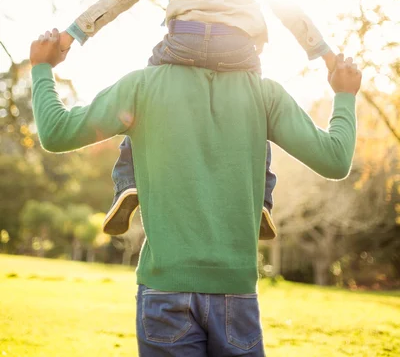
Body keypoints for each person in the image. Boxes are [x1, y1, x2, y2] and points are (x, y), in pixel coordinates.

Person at [30, 29, 361, 357]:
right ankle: (262, 202)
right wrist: (344, 96)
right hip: (236, 293)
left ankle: (128, 183)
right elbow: (335, 159)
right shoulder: (265, 95)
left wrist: (42, 69)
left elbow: (56, 132)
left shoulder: (143, 84)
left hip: (164, 292)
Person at [57, 0, 336, 240]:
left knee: (141, 97)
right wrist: (324, 53)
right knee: (258, 109)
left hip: (182, 44)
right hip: (237, 50)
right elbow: (289, 8)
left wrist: (74, 33)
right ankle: (263, 199)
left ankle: (128, 180)